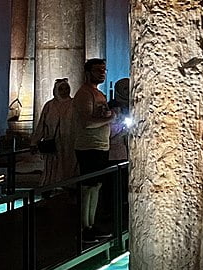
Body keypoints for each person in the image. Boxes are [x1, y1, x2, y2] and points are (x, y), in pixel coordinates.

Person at [72, 58, 112, 241]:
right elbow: (87, 123)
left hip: (101, 145)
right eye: (98, 70)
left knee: (96, 186)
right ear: (88, 72)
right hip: (89, 146)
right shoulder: (84, 94)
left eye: (104, 70)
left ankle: (91, 224)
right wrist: (111, 119)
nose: (102, 73)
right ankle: (83, 227)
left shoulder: (98, 94)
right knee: (88, 187)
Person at [33, 78, 77, 187]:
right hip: (52, 142)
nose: (64, 91)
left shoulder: (74, 105)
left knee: (68, 166)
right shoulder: (49, 106)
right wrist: (34, 142)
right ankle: (48, 187)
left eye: (66, 88)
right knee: (51, 167)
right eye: (61, 89)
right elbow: (41, 125)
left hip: (69, 143)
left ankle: (68, 186)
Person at [108, 77, 131, 164]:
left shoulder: (134, 104)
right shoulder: (113, 106)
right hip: (116, 149)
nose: (127, 91)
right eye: (125, 88)